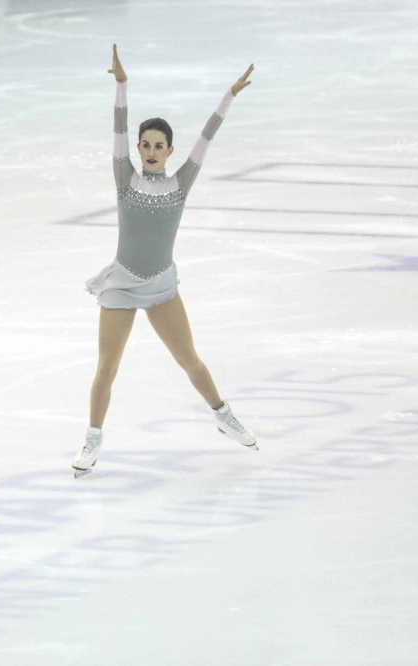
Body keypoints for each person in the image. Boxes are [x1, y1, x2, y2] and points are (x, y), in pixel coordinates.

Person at [74, 44, 258, 478]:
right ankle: (92, 440)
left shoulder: (180, 183)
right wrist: (122, 86)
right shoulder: (125, 179)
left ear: (171, 151)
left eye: (159, 145)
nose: (151, 151)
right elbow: (116, 131)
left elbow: (207, 138)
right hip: (122, 284)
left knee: (189, 360)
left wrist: (228, 96)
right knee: (107, 368)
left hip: (161, 286)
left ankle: (221, 414)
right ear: (138, 148)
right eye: (145, 145)